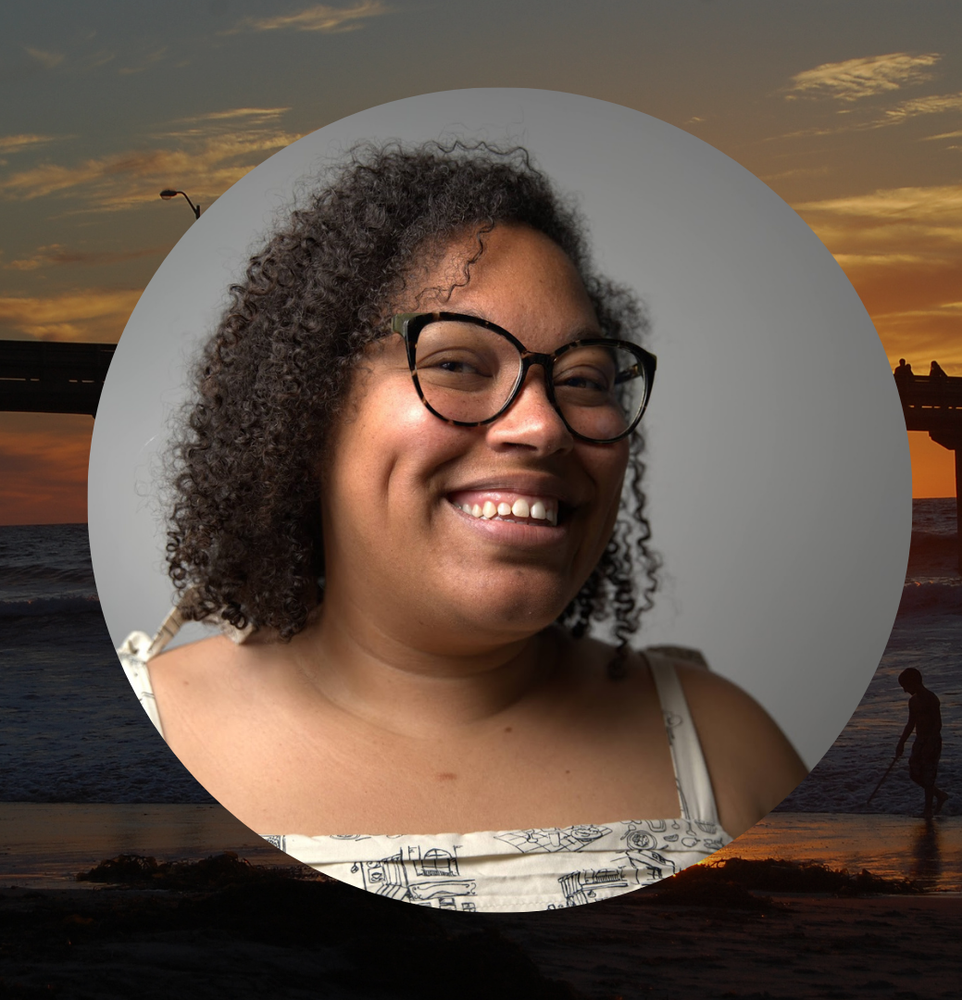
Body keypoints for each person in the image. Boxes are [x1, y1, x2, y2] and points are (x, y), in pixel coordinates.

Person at [118, 140, 806, 911]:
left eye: (584, 379)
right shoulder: (142, 735)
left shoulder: (729, 751)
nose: (542, 426)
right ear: (307, 412)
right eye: (456, 364)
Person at [895, 667, 948, 818]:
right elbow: (910, 724)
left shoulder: (931, 699)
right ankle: (940, 795)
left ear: (914, 683)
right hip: (919, 740)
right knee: (914, 772)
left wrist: (930, 743)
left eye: (906, 686)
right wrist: (901, 743)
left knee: (928, 776)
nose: (905, 690)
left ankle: (928, 811)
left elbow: (937, 724)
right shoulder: (913, 701)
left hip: (932, 740)